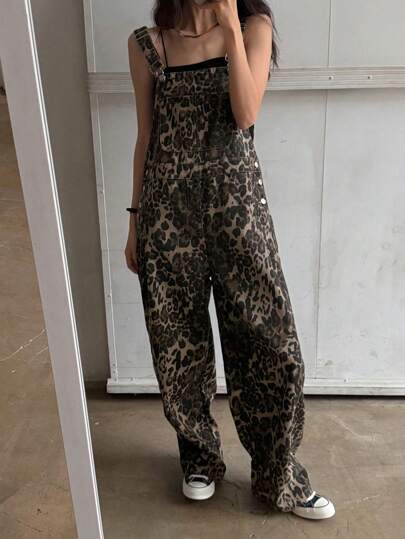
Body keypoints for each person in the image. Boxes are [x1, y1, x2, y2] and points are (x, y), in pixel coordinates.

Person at [126, 0, 335, 520]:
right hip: (167, 216)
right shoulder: (148, 45)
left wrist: (228, 26)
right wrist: (135, 223)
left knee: (270, 342)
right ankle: (199, 457)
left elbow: (245, 113)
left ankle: (280, 473)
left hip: (238, 215)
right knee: (178, 341)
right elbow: (146, 137)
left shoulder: (252, 28)